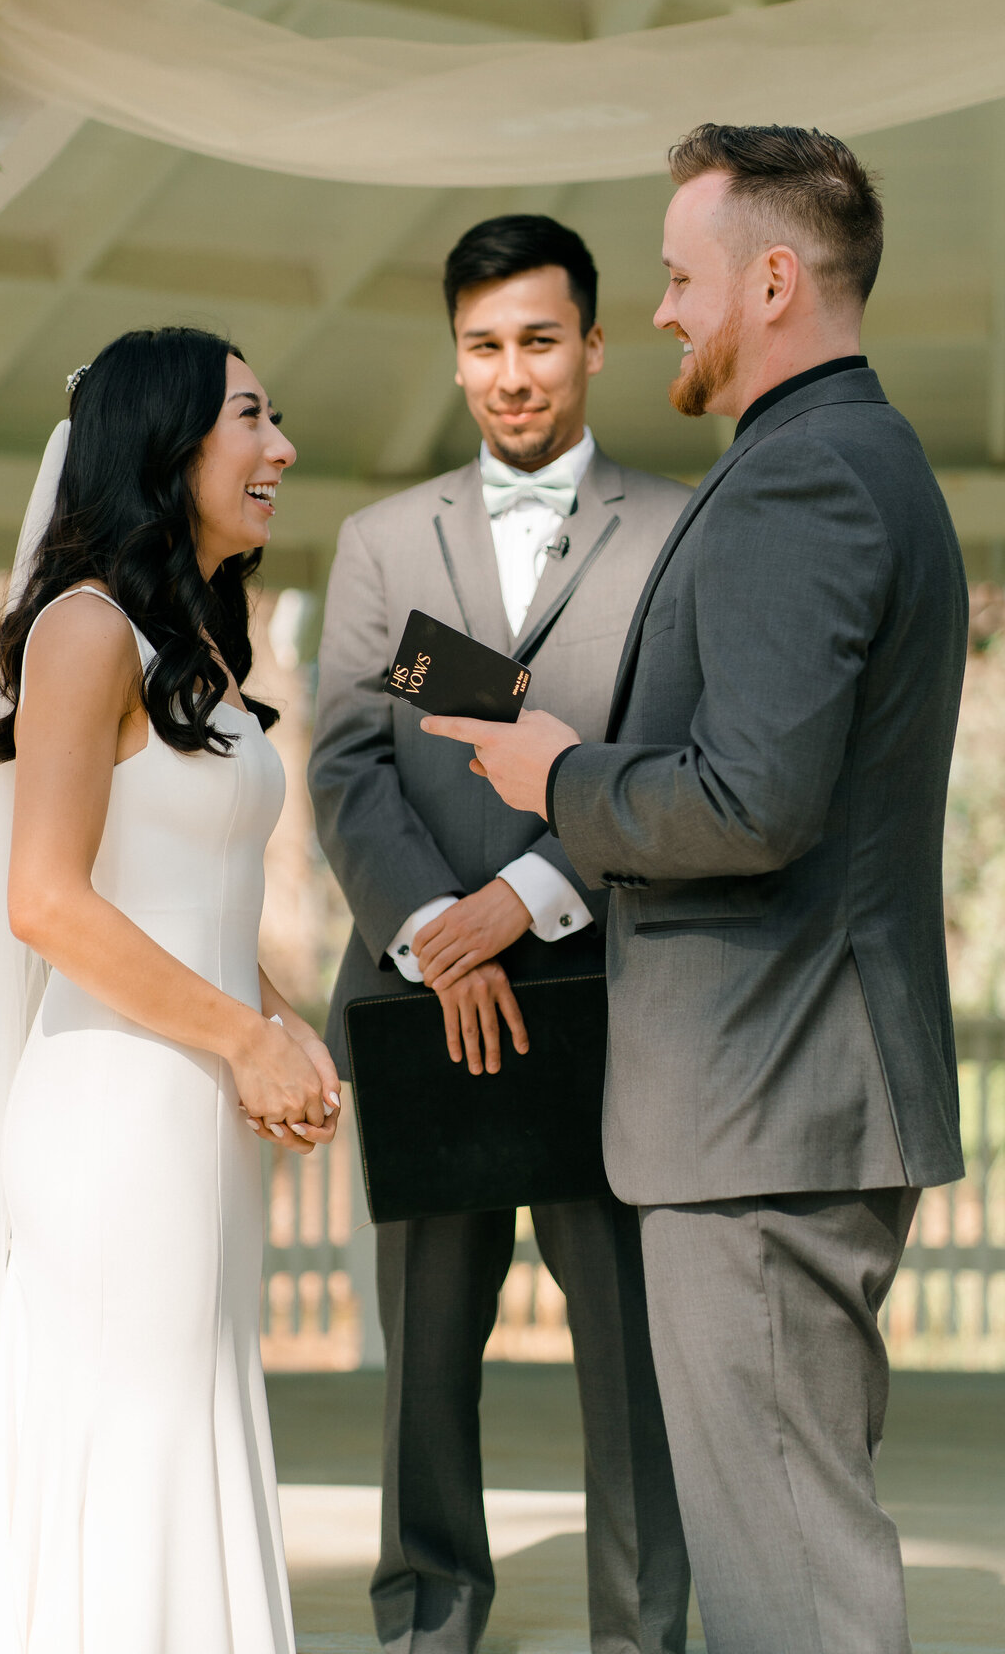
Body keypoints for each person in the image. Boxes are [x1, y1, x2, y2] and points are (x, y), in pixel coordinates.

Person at [422, 126, 968, 1654]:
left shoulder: (808, 483)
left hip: (763, 1107)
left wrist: (557, 781)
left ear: (775, 280)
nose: (661, 311)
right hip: (772, 1101)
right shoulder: (831, 462)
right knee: (775, 1556)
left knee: (789, 1582)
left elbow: (751, 804)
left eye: (680, 277)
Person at [0, 328, 342, 1654]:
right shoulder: (80, 631)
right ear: (167, 446)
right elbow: (46, 901)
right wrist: (244, 1038)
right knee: (131, 1436)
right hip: (113, 1114)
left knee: (192, 1416)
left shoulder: (199, 649)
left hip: (199, 1110)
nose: (280, 447)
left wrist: (281, 1026)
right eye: (251, 418)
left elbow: (196, 888)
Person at [308, 216, 691, 1654]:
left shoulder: (678, 528)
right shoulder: (378, 543)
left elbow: (665, 748)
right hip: (424, 1007)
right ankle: (429, 1621)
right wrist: (430, 935)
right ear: (454, 353)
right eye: (484, 346)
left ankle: (643, 1631)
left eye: (540, 341)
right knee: (424, 1359)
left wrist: (515, 907)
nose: (512, 375)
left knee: (634, 1358)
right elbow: (348, 759)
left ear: (594, 342)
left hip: (614, 999)